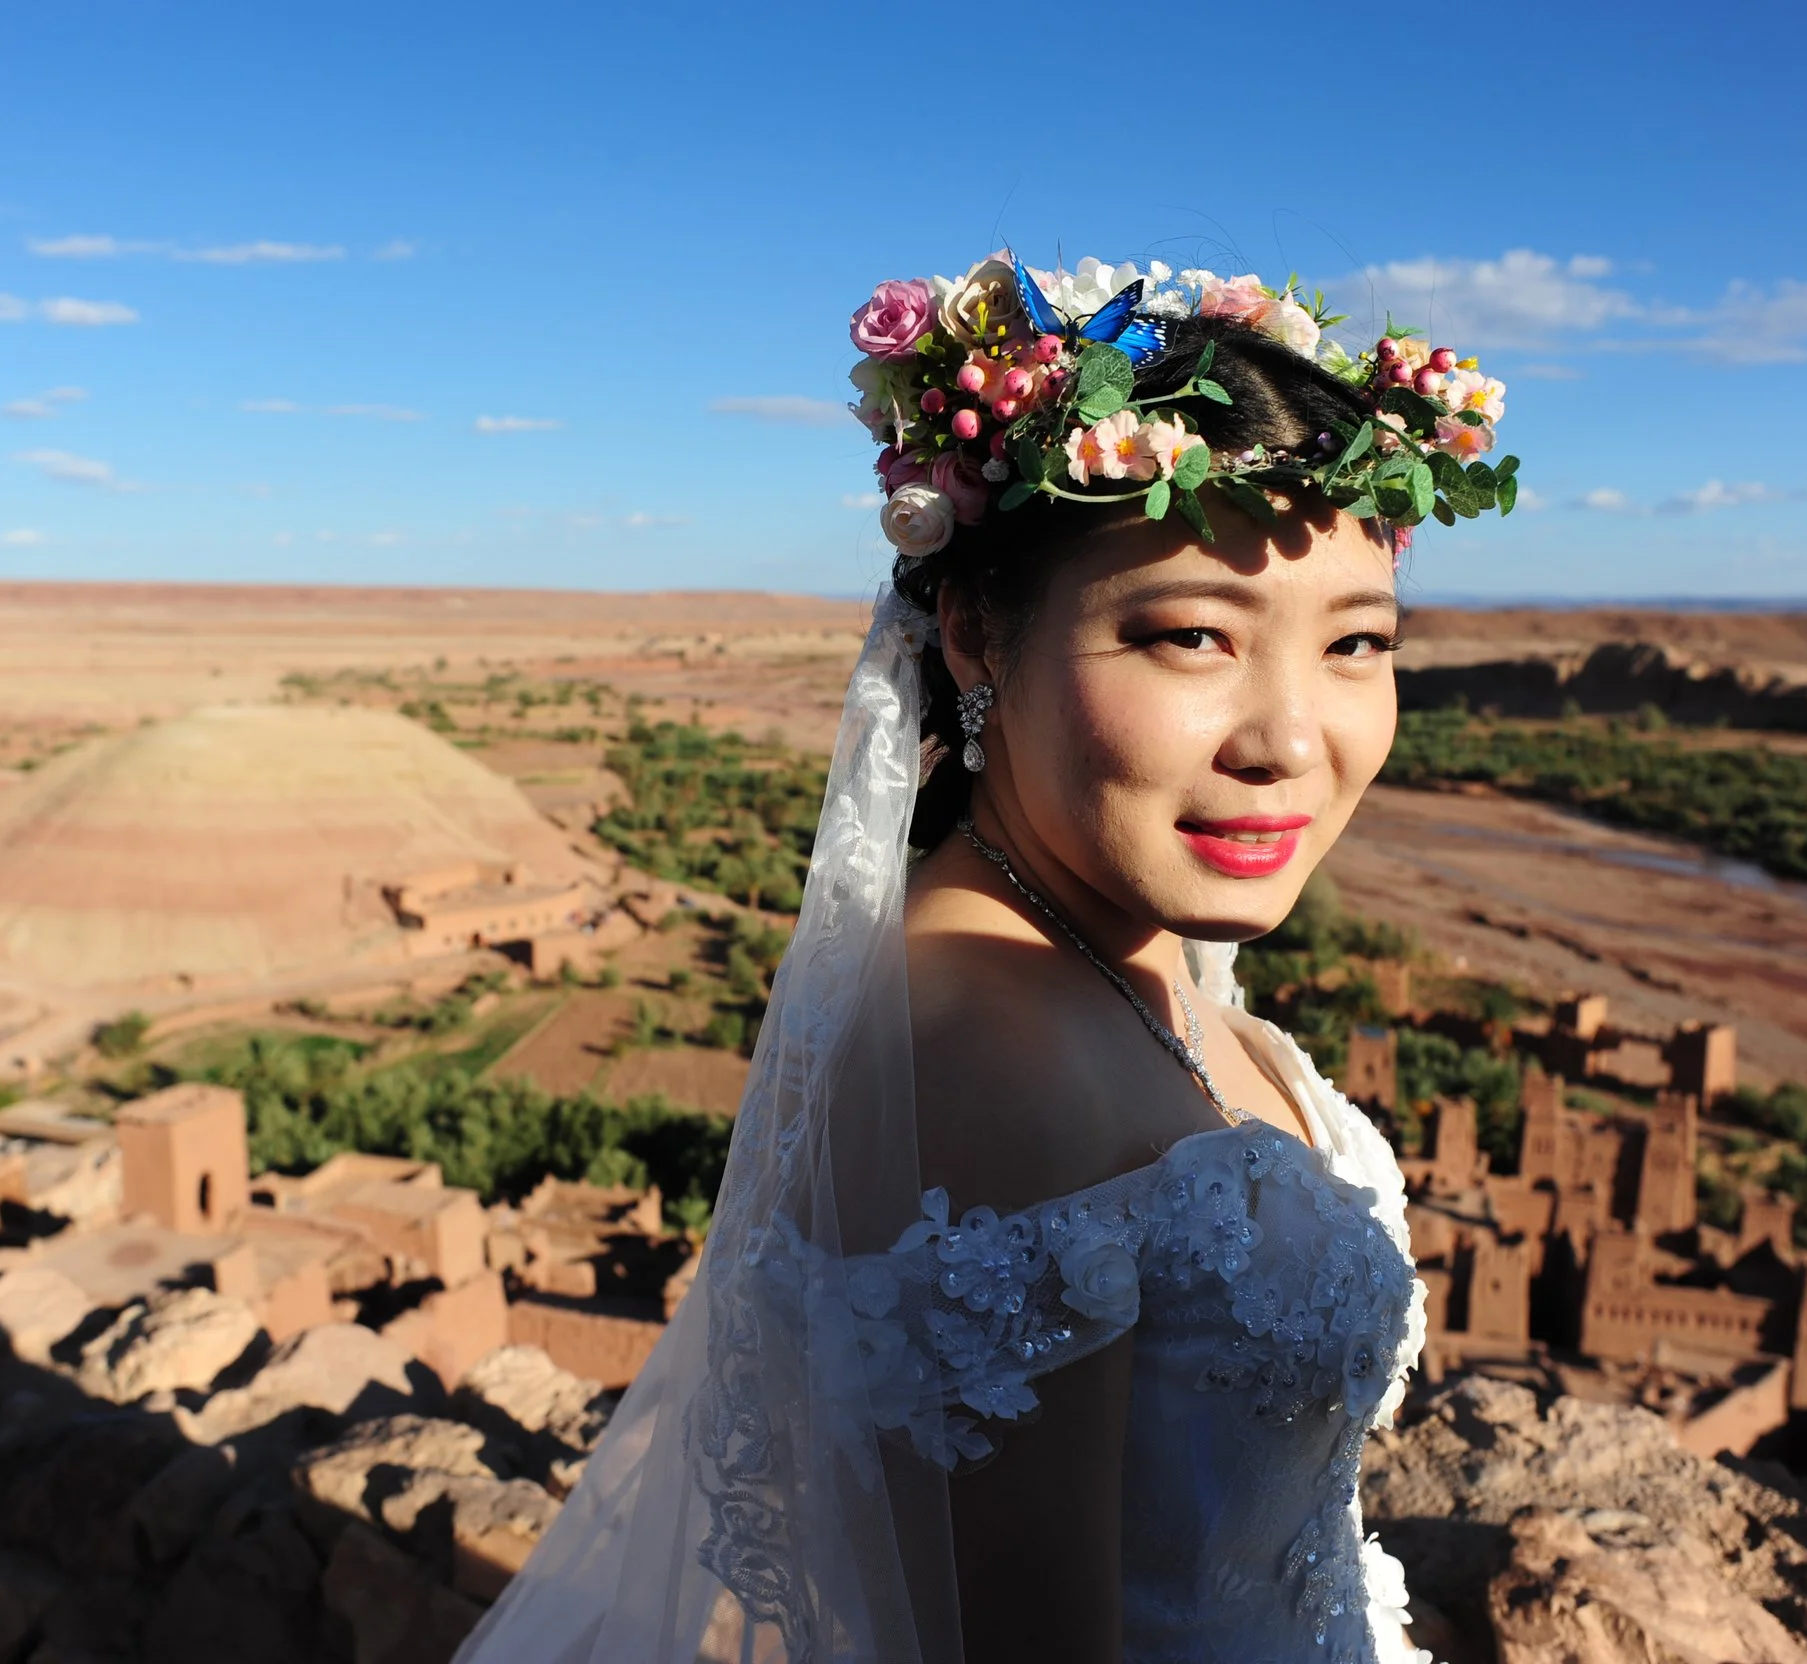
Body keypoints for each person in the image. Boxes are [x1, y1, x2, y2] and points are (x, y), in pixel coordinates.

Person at [454, 251, 1518, 1664]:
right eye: (1193, 635)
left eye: (1357, 645)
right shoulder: (992, 1067)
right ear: (970, 632)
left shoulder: (1112, 953)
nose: (1292, 741)